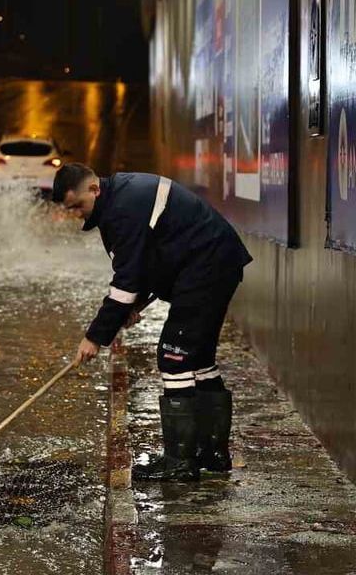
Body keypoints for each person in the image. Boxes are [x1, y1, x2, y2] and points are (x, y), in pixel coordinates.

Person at [52, 164, 252, 482]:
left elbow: (126, 281)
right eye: (70, 209)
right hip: (215, 263)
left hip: (206, 267)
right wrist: (136, 303)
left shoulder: (121, 209)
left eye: (78, 205)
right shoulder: (119, 199)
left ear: (94, 189)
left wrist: (94, 337)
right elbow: (148, 259)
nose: (76, 214)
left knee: (173, 357)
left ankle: (180, 461)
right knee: (197, 359)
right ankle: (212, 455)